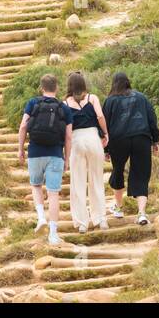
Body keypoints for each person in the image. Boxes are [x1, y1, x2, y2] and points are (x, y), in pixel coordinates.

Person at [17, 73, 73, 246]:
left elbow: (23, 126)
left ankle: (41, 217)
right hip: (55, 153)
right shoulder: (64, 108)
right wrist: (67, 158)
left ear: (42, 88)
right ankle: (53, 234)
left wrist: (20, 149)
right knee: (53, 193)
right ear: (56, 88)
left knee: (36, 186)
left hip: (35, 151)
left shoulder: (33, 103)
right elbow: (69, 136)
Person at [102, 72, 159, 226]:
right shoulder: (141, 97)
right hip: (141, 138)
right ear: (128, 82)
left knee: (118, 170)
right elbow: (151, 118)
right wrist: (156, 140)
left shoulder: (110, 101)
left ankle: (119, 208)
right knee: (141, 174)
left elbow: (104, 125)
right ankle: (141, 213)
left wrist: (106, 149)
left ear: (114, 84)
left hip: (118, 140)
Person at [64, 72, 110, 233]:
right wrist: (105, 133)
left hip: (76, 140)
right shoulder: (92, 98)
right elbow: (100, 116)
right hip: (92, 138)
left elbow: (66, 128)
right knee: (96, 179)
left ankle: (82, 222)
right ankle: (100, 219)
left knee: (78, 182)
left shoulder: (65, 102)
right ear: (83, 84)